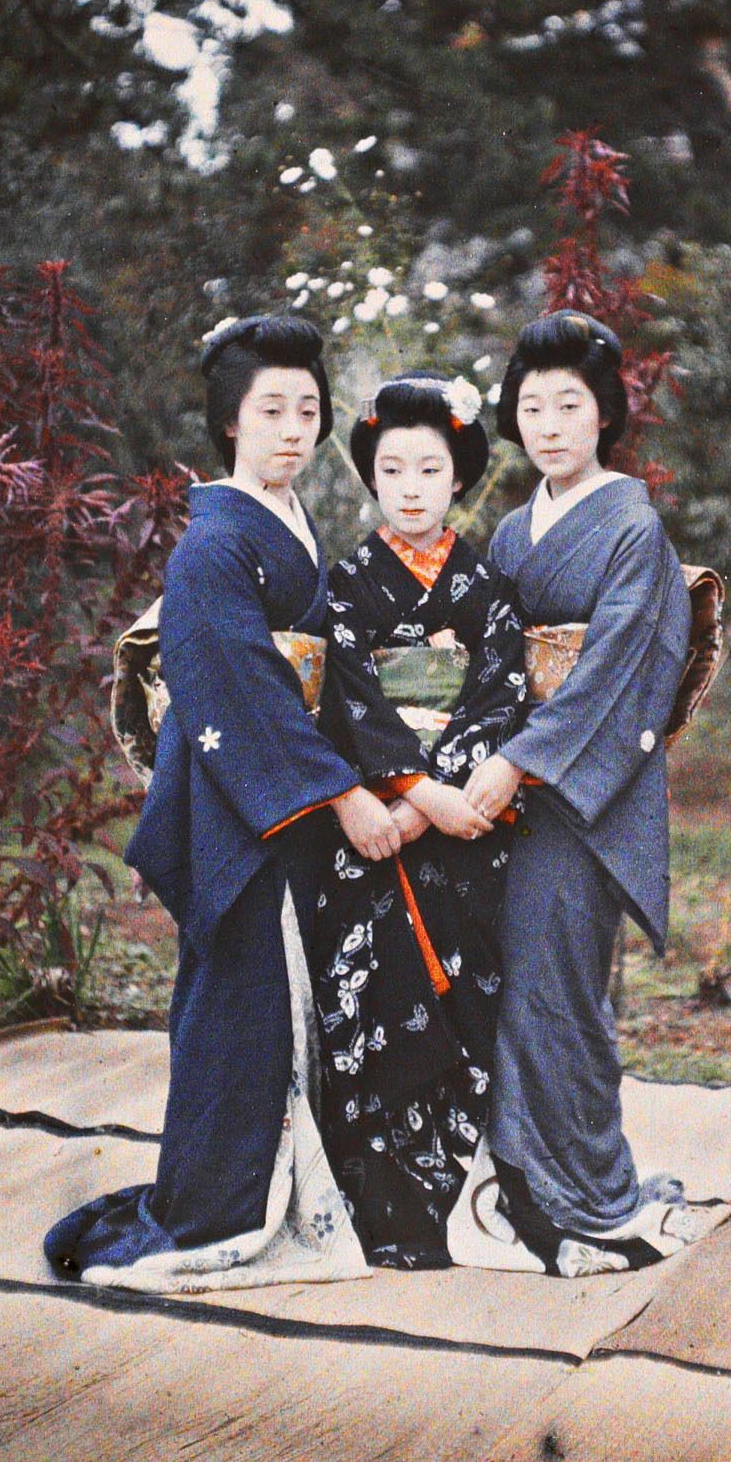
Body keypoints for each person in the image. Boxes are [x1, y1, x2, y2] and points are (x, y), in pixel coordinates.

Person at [43, 315, 401, 1292]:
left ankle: (287, 1192)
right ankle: (218, 1210)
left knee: (285, 1005)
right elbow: (237, 680)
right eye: (270, 409)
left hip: (280, 791)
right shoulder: (211, 544)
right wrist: (340, 794)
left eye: (307, 410)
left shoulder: (289, 524)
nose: (293, 429)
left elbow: (326, 664)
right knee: (238, 1010)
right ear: (229, 421)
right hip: (239, 804)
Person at [449, 312, 713, 1278]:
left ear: (605, 412)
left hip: (578, 796)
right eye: (531, 408)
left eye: (569, 405)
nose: (550, 425)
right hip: (505, 783)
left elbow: (615, 671)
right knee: (509, 982)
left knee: (558, 989)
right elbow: (483, 653)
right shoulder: (514, 531)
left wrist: (520, 761)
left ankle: (587, 1193)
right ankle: (516, 1180)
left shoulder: (632, 529)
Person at [315, 371, 530, 1268]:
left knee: (467, 1003)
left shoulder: (487, 588)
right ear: (371, 478)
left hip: (461, 831)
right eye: (392, 470)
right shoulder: (344, 586)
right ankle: (379, 1212)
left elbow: (501, 695)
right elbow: (344, 700)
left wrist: (435, 796)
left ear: (459, 477)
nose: (410, 488)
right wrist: (411, 794)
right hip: (374, 828)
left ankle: (452, 1204)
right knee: (371, 1007)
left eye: (429, 469)